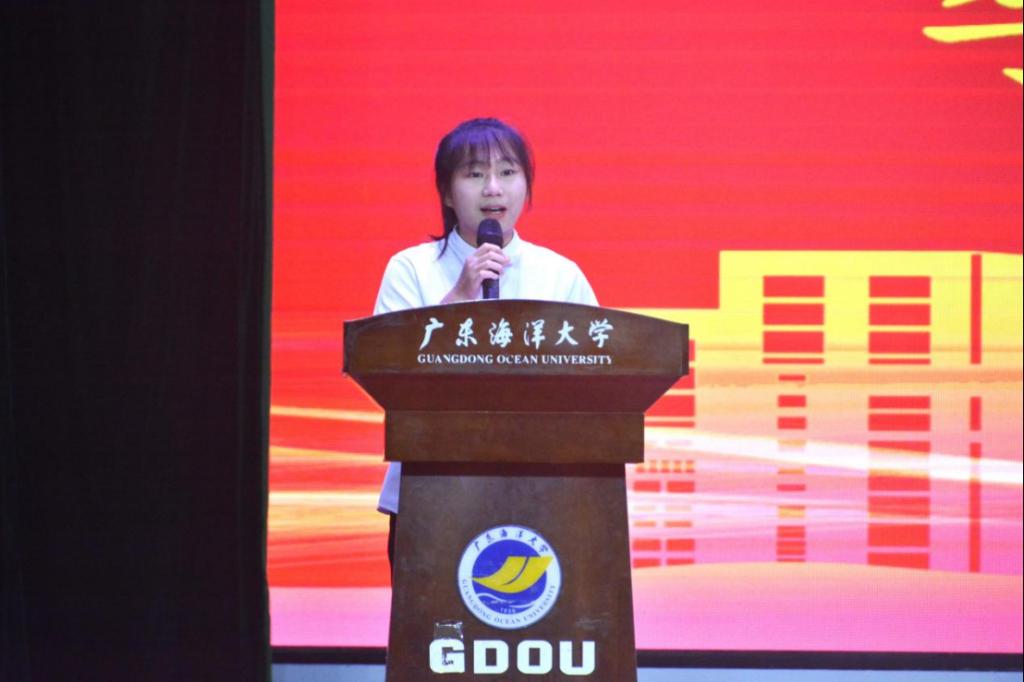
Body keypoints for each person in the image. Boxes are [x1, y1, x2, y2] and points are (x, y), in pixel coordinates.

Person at [372, 117, 598, 564]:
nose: (493, 189)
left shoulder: (560, 274)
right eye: (475, 174)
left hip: (545, 493)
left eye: (508, 172)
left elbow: (599, 377)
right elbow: (385, 368)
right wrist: (459, 297)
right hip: (430, 489)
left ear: (526, 186)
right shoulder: (411, 269)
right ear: (446, 192)